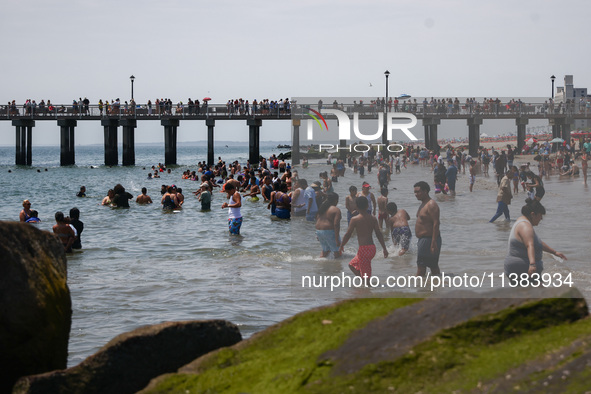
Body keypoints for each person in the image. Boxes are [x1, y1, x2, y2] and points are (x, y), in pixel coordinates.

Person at [504, 198, 567, 285]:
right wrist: (532, 264)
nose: (541, 219)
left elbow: (537, 242)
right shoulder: (525, 226)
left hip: (521, 268)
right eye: (540, 215)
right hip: (522, 269)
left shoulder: (524, 222)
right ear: (533, 214)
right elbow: (530, 245)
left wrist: (554, 252)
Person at [339, 196, 388, 279]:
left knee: (366, 275)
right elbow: (378, 234)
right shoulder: (373, 218)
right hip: (372, 249)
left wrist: (341, 245)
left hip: (364, 250)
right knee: (352, 265)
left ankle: (367, 287)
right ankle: (364, 283)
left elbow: (348, 234)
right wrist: (384, 248)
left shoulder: (354, 219)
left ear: (356, 207)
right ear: (367, 206)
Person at [413, 181, 441, 276]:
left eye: (418, 192)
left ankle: (420, 289)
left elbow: (436, 223)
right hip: (424, 240)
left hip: (429, 240)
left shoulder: (431, 204)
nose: (416, 194)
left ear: (425, 191)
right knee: (433, 266)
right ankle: (435, 287)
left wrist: (433, 242)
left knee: (421, 267)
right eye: (414, 192)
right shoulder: (423, 204)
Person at [315, 192, 342, 258]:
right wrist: (337, 239)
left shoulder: (322, 207)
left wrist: (318, 234)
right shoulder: (336, 209)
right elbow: (336, 224)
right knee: (337, 252)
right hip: (329, 231)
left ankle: (321, 264)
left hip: (319, 231)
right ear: (336, 200)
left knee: (325, 250)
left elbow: (318, 219)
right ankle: (337, 267)